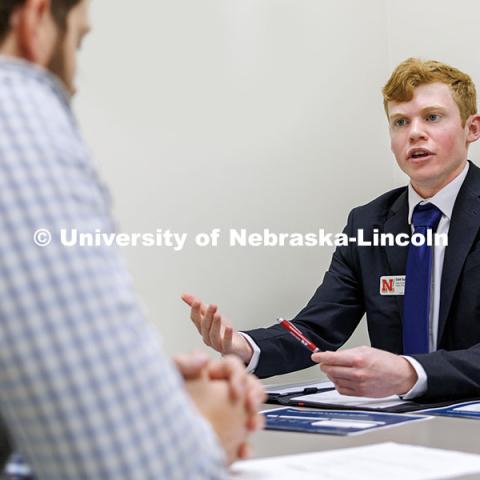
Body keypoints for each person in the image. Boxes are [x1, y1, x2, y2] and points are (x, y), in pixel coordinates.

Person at [0, 0, 265, 478]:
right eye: (77, 42)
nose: (73, 82)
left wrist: (148, 398)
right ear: (34, 21)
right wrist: (205, 426)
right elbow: (133, 469)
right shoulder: (15, 108)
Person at [184, 57, 480, 402]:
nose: (414, 132)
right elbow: (317, 328)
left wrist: (412, 373)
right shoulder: (368, 222)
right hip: (401, 419)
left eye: (432, 117)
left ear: (472, 128)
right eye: (400, 122)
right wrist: (243, 347)